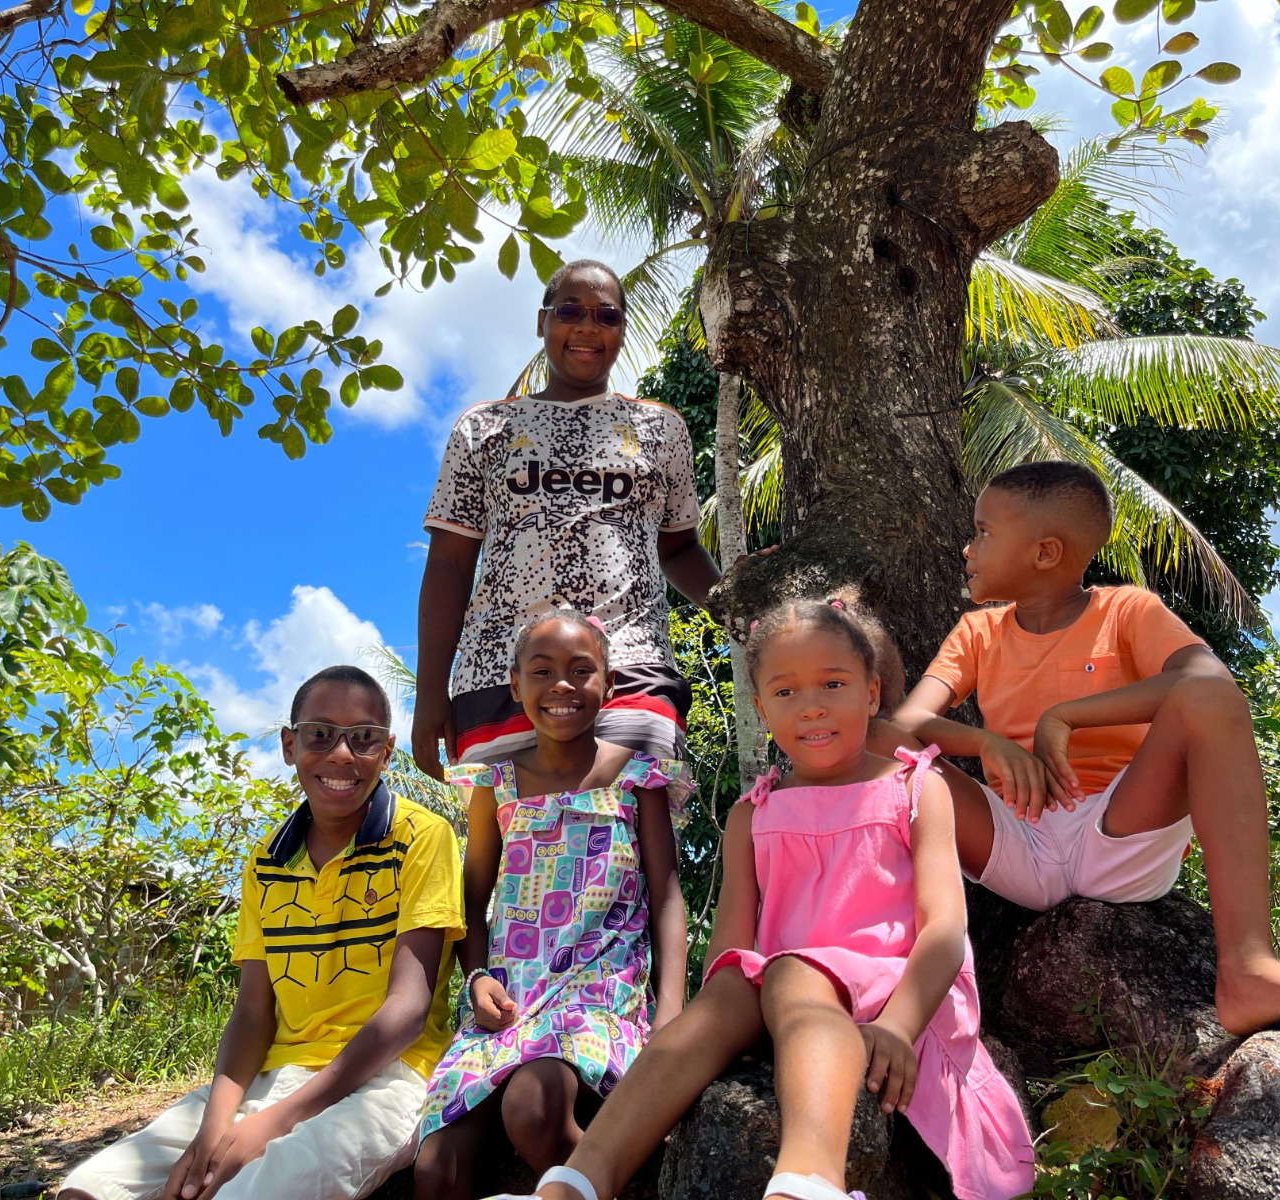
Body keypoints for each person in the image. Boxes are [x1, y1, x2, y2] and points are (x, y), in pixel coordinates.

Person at [485, 593, 1035, 1200]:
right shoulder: (753, 813)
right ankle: (576, 1184)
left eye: (833, 683)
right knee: (728, 995)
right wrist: (720, 1031)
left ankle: (810, 1179)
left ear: (872, 693)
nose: (811, 707)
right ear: (760, 706)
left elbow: (943, 931)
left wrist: (901, 1028)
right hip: (783, 994)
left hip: (897, 988)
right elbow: (728, 958)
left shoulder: (915, 788)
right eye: (786, 691)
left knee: (793, 972)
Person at [890, 460, 1280, 1041]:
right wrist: (987, 743)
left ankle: (1249, 968)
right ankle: (879, 953)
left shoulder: (1128, 610)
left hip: (1120, 829)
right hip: (1018, 840)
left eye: (983, 532)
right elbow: (907, 723)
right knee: (874, 739)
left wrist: (1063, 716)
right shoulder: (977, 632)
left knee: (1211, 702)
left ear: (1046, 553)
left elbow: (1209, 681)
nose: (968, 549)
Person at [58, 666, 466, 1200]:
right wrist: (213, 1129)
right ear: (290, 745)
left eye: (363, 738)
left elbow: (408, 1010)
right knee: (87, 1188)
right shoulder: (267, 862)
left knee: (250, 1191)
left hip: (390, 1079)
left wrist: (275, 1123)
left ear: (386, 753)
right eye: (320, 734)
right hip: (275, 1074)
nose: (342, 754)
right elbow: (253, 1013)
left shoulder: (420, 837)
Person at [413, 610, 690, 1200]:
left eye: (580, 670)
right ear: (516, 687)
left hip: (597, 997)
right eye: (542, 671)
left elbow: (667, 897)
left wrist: (671, 1015)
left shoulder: (637, 778)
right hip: (510, 1004)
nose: (562, 685)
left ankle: (599, 1183)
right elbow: (473, 896)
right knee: (436, 1170)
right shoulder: (496, 786)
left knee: (533, 1108)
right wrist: (479, 977)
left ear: (608, 685)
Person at [414, 259, 721, 779]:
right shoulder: (484, 428)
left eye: (607, 316)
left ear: (622, 329)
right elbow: (449, 564)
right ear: (542, 321)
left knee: (636, 845)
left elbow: (679, 548)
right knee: (513, 854)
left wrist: (745, 610)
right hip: (498, 672)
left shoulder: (660, 428)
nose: (586, 327)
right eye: (570, 311)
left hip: (631, 668)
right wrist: (429, 694)